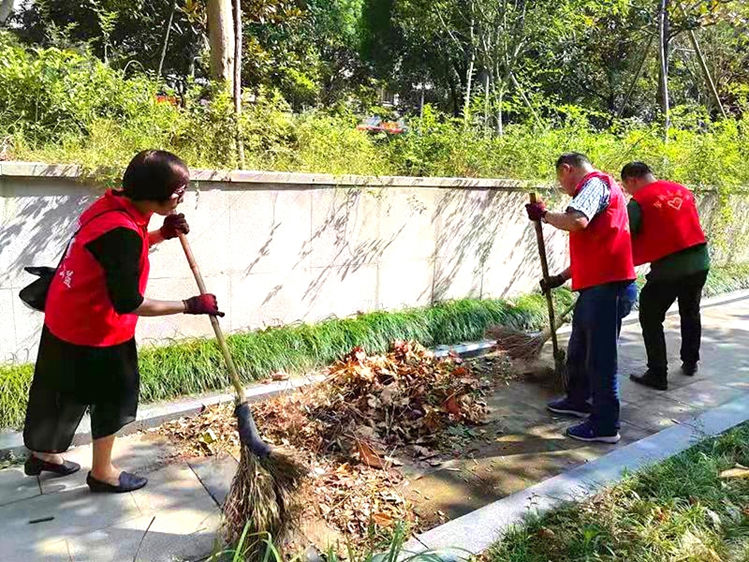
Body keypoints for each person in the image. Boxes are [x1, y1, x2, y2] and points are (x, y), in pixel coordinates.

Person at [22, 150, 224, 493]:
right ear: (159, 192)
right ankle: (102, 472)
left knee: (59, 390)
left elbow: (114, 252)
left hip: (64, 316)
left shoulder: (112, 207)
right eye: (179, 191)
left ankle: (44, 455)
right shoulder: (124, 231)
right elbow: (129, 302)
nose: (181, 197)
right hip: (95, 330)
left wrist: (161, 235)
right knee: (113, 396)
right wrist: (189, 306)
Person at [525, 153, 637, 443]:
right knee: (579, 350)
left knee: (601, 358)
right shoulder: (602, 190)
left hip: (608, 288)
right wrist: (560, 279)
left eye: (561, 179)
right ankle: (578, 400)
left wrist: (544, 215)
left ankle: (604, 425)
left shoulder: (595, 185)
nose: (563, 186)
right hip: (597, 286)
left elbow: (577, 221)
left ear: (567, 169)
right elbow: (593, 247)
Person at [621, 162, 710, 391]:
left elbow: (623, 234)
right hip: (700, 261)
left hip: (671, 268)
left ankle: (657, 373)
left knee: (650, 315)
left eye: (627, 187)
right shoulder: (681, 190)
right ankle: (691, 362)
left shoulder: (639, 201)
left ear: (632, 180)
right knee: (690, 311)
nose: (629, 192)